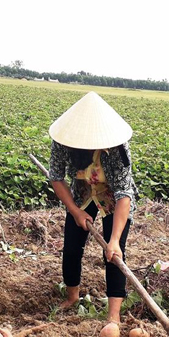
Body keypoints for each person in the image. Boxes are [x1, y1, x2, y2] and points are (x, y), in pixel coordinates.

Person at [48, 91, 137, 324]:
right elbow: (56, 177)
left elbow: (124, 194)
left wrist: (115, 239)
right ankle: (72, 297)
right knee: (72, 246)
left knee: (114, 254)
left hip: (113, 196)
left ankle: (113, 315)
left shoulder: (117, 148)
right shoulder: (62, 142)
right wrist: (75, 211)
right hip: (82, 192)